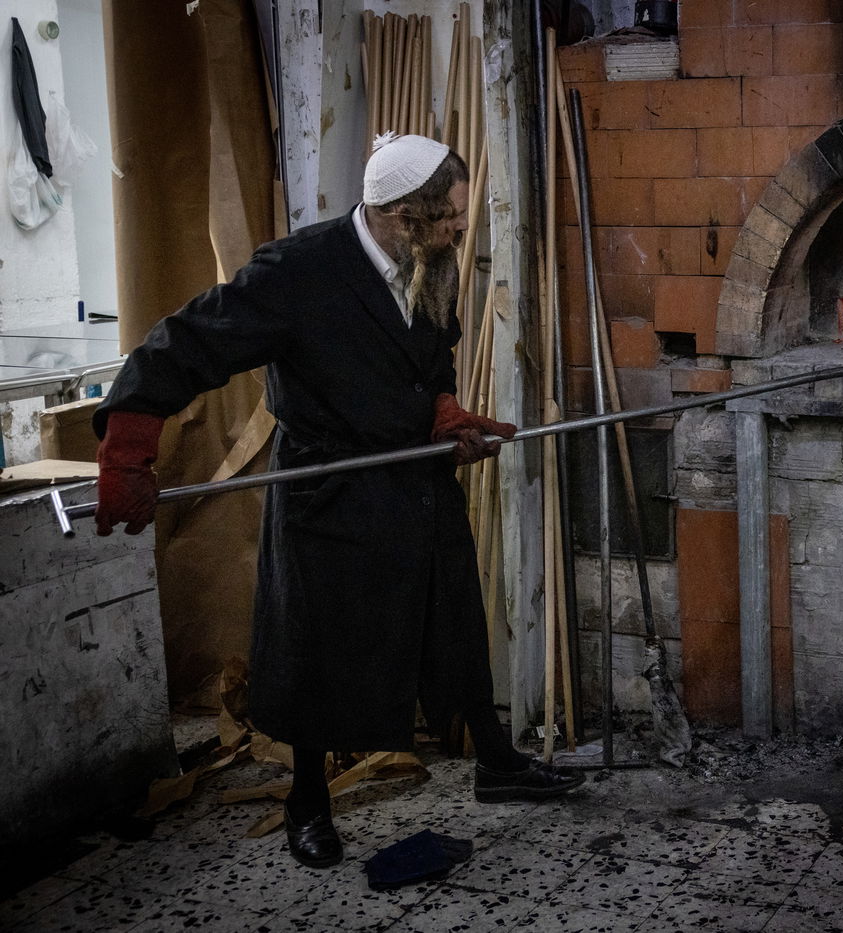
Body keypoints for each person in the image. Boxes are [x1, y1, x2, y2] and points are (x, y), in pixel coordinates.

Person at [92, 134, 582, 869]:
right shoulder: (298, 271)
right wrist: (129, 441)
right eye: (447, 214)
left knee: (453, 621)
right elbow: (185, 342)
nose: (459, 226)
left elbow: (432, 351)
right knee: (317, 651)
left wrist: (445, 410)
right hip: (331, 489)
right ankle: (307, 802)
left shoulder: (431, 261)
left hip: (413, 475)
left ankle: (495, 760)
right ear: (403, 214)